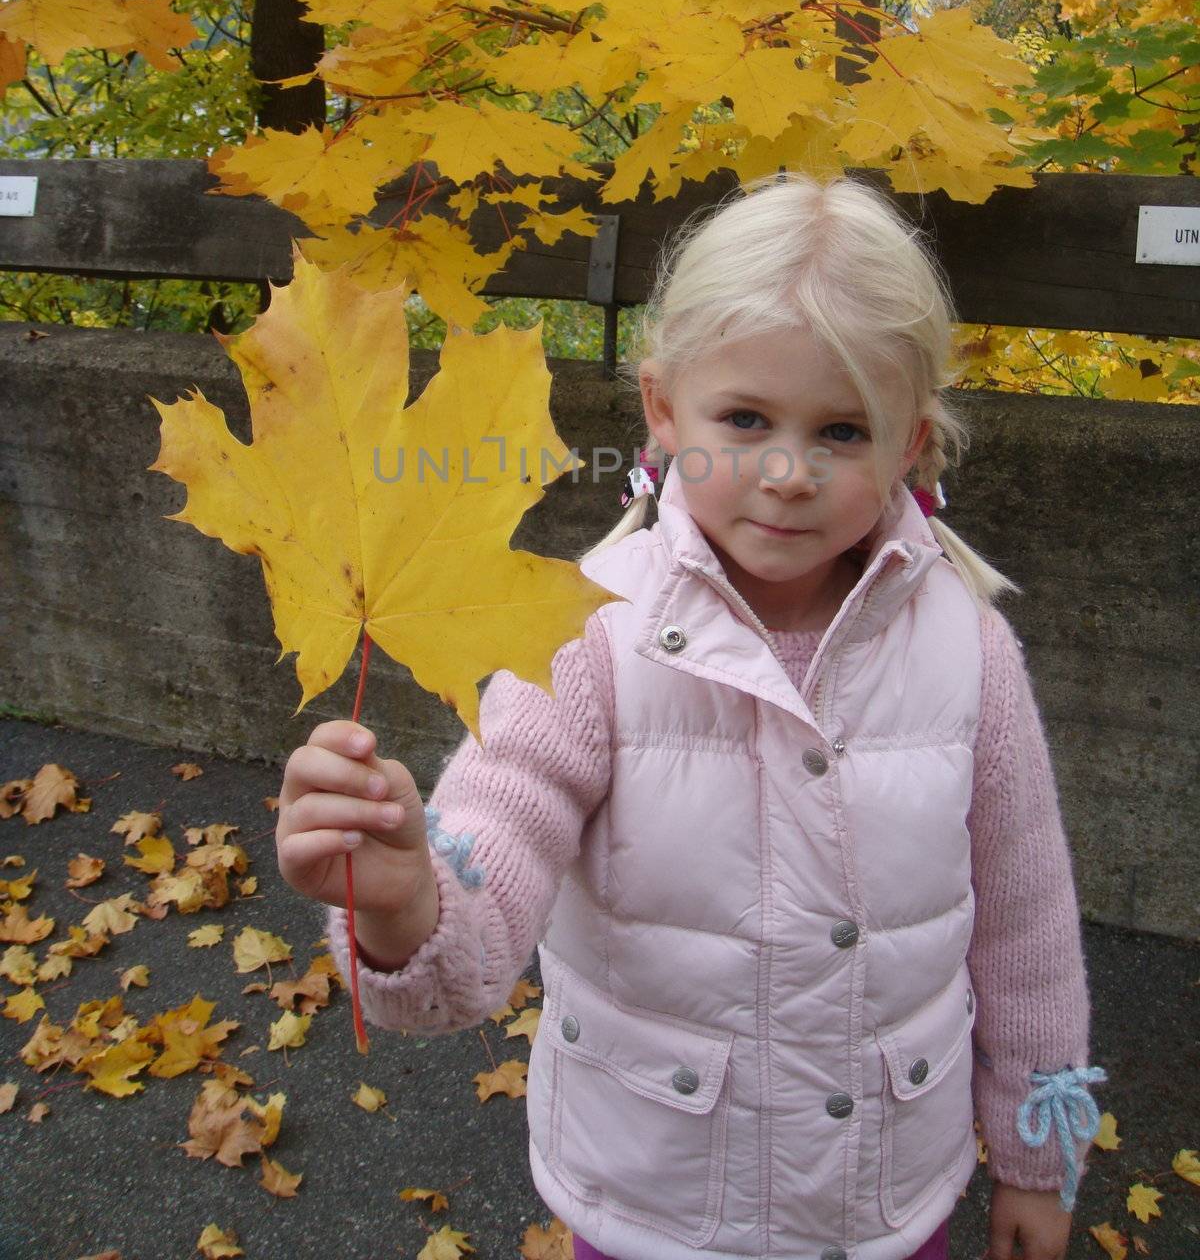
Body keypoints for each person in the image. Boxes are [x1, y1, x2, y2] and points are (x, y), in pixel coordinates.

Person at [275, 173, 1107, 1260]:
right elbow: (487, 881)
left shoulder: (966, 650)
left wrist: (1040, 1165)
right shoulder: (586, 635)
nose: (787, 472)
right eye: (746, 418)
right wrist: (403, 904)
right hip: (659, 1210)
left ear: (909, 443)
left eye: (843, 430)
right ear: (663, 410)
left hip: (888, 1204)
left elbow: (1028, 931)